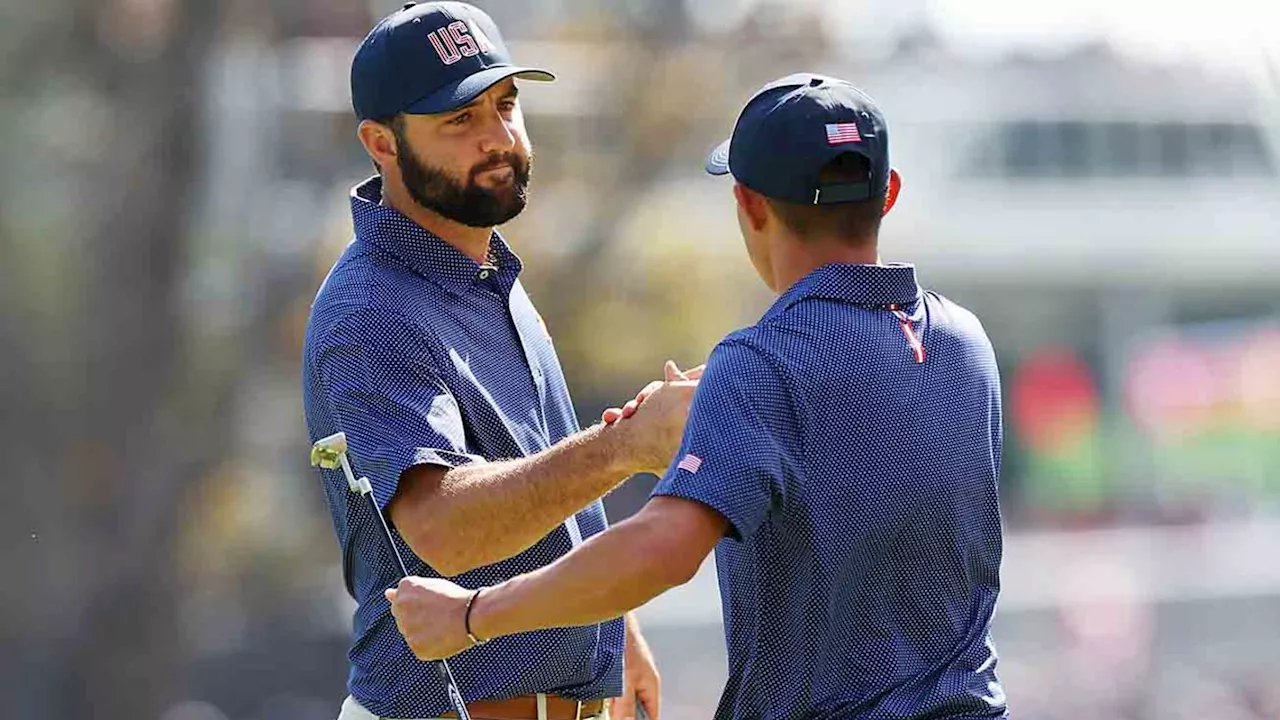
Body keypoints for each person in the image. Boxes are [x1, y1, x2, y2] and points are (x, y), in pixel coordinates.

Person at [383, 73, 1011, 720]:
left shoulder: (762, 366)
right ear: (889, 195)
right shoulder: (965, 342)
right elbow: (855, 424)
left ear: (751, 205)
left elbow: (662, 549)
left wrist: (471, 615)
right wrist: (731, 407)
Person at [301, 3, 699, 719]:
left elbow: (539, 479)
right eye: (459, 119)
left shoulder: (485, 274)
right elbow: (444, 530)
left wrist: (616, 627)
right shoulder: (372, 311)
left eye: (505, 104)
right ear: (380, 143)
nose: (497, 137)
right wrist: (625, 446)